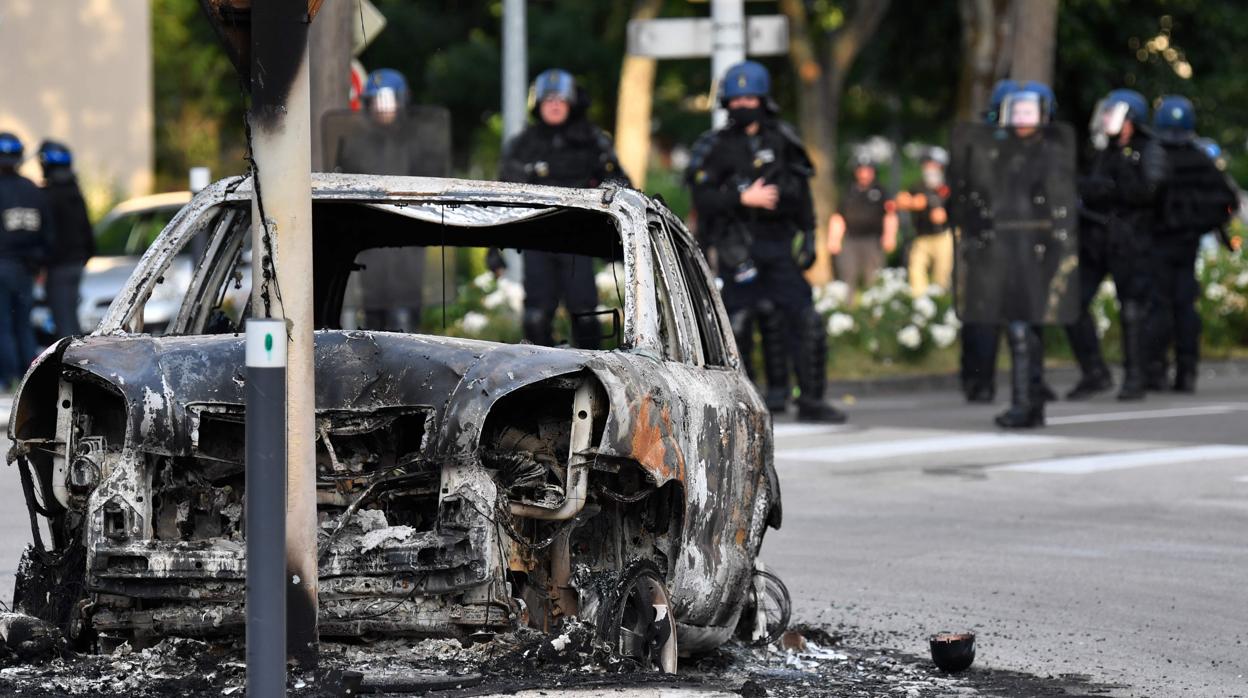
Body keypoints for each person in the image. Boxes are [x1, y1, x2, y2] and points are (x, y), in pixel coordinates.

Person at [688, 60, 846, 423]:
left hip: (777, 246)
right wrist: (742, 199)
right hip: (736, 248)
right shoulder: (714, 146)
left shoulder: (783, 139)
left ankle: (811, 399)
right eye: (737, 98)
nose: (743, 104)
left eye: (750, 97)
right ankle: (744, 403)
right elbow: (702, 199)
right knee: (739, 323)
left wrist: (809, 234)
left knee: (805, 318)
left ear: (763, 99)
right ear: (727, 102)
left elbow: (802, 191)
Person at [950, 82, 1079, 428]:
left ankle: (1025, 404)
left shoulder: (1049, 155)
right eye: (1015, 112)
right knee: (1021, 327)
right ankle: (1031, 402)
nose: (1021, 120)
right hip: (1004, 249)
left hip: (1033, 250)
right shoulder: (1000, 152)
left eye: (1028, 113)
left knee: (1023, 327)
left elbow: (1059, 205)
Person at [497, 68, 630, 348]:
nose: (555, 106)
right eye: (548, 100)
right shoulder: (523, 145)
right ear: (538, 105)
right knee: (535, 318)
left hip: (578, 243)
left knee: (586, 319)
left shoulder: (592, 142)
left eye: (560, 100)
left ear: (571, 103)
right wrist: (494, 252)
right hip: (537, 240)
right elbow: (503, 198)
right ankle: (539, 383)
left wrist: (614, 242)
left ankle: (592, 383)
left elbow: (621, 184)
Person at [1065, 89, 1166, 401]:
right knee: (1072, 304)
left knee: (1132, 310)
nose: (1107, 119)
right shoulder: (1102, 151)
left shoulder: (1149, 149)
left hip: (1130, 241)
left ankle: (1135, 377)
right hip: (1096, 240)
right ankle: (1094, 371)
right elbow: (1084, 187)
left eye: (1113, 113)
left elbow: (1148, 191)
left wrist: (1110, 187)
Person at [326, 68, 444, 332]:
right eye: (376, 101)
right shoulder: (356, 144)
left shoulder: (420, 142)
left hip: (408, 242)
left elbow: (434, 186)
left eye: (388, 100)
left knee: (403, 320)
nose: (383, 108)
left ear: (402, 102)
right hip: (370, 245)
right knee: (373, 320)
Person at [1145, 97, 1237, 392]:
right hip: (1187, 244)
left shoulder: (1154, 156)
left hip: (1159, 242)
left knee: (1159, 307)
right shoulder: (1201, 160)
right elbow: (1227, 201)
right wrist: (1201, 225)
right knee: (1185, 306)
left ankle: (1156, 368)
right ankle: (1186, 370)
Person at [958, 79, 1014, 403]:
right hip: (988, 237)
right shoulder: (984, 143)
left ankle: (985, 380)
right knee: (985, 314)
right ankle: (978, 380)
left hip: (1010, 237)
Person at [0, 132, 53, 387]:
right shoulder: (33, 191)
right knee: (24, 324)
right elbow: (48, 234)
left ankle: (8, 378)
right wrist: (39, 264)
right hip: (27, 269)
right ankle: (28, 380)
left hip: (3, 266)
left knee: (3, 325)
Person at [38, 140, 94, 339]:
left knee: (64, 323)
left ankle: (71, 365)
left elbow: (47, 235)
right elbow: (87, 232)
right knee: (70, 317)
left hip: (59, 266)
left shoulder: (47, 195)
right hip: (75, 263)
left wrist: (41, 262)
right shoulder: (74, 192)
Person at [827, 158, 898, 295]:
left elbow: (890, 215)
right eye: (861, 170)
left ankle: (874, 309)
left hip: (873, 240)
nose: (864, 174)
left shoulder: (881, 191)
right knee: (847, 274)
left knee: (873, 277)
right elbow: (838, 217)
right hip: (851, 239)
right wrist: (834, 239)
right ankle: (848, 309)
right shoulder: (849, 190)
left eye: (867, 170)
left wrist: (889, 236)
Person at [897, 150, 953, 297]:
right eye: (927, 165)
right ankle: (919, 301)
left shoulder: (948, 186)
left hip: (943, 236)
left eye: (933, 165)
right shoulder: (919, 186)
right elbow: (901, 199)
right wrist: (913, 203)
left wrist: (946, 215)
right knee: (915, 268)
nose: (930, 169)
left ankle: (940, 302)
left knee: (942, 274)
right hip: (922, 236)